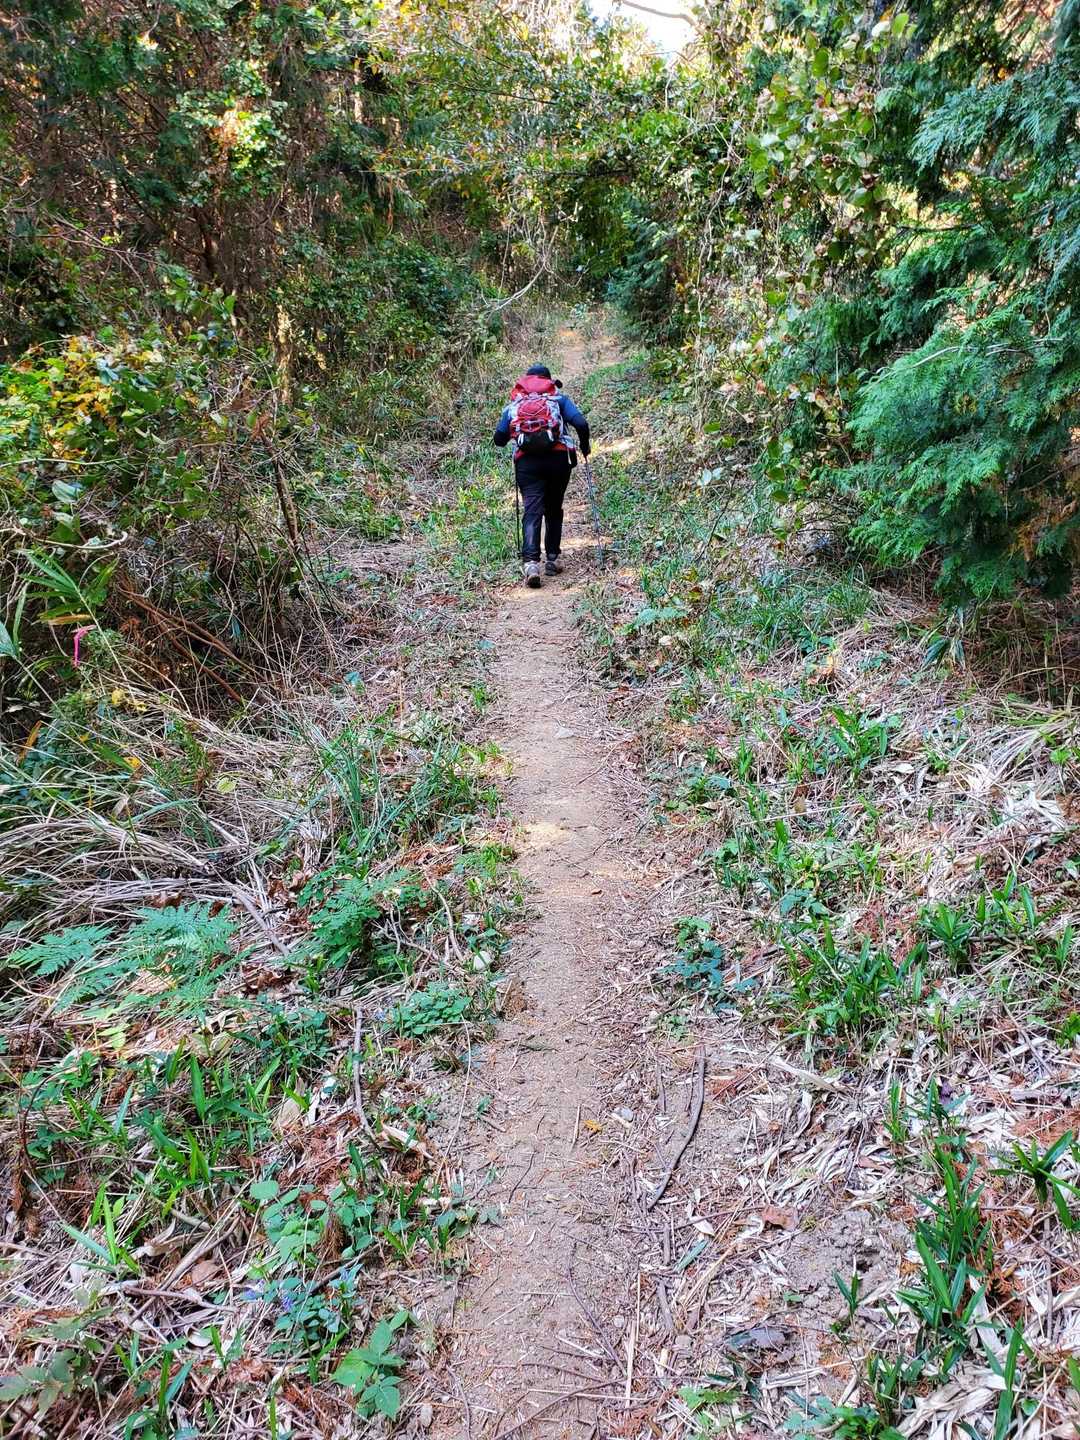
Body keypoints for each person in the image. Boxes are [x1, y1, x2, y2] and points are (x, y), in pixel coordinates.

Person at [493, 365, 591, 588]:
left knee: (532, 509)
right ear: (549, 381)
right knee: (554, 508)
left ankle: (531, 564)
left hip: (527, 463)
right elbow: (581, 424)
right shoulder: (558, 400)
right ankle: (553, 560)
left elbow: (499, 439)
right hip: (558, 460)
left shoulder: (515, 403)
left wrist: (520, 435)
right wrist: (585, 447)